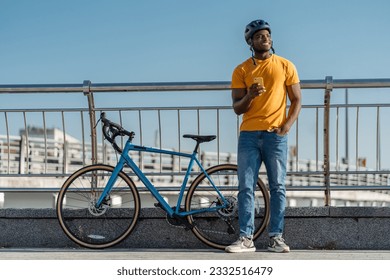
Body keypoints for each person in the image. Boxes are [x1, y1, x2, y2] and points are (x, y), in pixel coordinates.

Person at [225, 19, 301, 253]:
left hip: (275, 135)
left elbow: (296, 99)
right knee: (246, 187)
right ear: (250, 42)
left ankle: (276, 237)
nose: (264, 38)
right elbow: (237, 108)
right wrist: (250, 95)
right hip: (248, 135)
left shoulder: (286, 65)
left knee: (278, 186)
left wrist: (286, 126)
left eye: (267, 35)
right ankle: (246, 238)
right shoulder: (241, 70)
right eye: (259, 36)